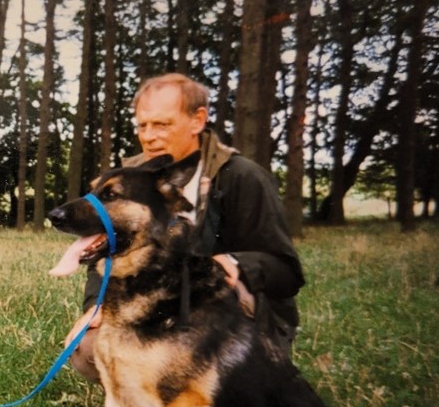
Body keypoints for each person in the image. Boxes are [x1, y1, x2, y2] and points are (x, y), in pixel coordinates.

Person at [66, 73, 304, 381]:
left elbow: (287, 271)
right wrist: (96, 308)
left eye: (162, 125)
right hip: (157, 309)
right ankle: (156, 398)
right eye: (143, 125)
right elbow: (103, 255)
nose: (148, 136)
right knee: (89, 347)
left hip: (231, 317)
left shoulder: (242, 178)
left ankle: (227, 395)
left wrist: (234, 264)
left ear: (198, 120)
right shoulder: (129, 180)